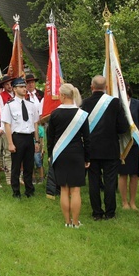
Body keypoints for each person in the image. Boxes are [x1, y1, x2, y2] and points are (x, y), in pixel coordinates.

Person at [80, 75, 129, 220]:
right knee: (110, 182)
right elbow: (123, 127)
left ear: (91, 87)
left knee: (93, 182)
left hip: (91, 149)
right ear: (106, 87)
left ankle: (97, 213)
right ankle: (110, 213)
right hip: (110, 149)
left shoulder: (85, 103)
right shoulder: (115, 103)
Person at [47, 84, 90, 228]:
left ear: (64, 96)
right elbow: (87, 138)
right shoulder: (81, 114)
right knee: (75, 189)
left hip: (60, 154)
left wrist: (50, 154)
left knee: (64, 189)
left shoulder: (54, 114)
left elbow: (50, 137)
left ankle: (67, 222)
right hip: (77, 154)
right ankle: (76, 223)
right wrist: (87, 158)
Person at [2, 78, 40, 198]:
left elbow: (35, 123)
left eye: (24, 86)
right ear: (14, 89)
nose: (24, 88)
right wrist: (10, 143)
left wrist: (37, 140)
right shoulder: (9, 106)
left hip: (29, 138)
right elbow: (7, 125)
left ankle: (29, 190)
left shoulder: (31, 105)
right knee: (16, 167)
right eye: (21, 87)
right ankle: (16, 191)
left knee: (29, 166)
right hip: (17, 137)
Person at [118, 83, 139, 211]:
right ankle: (124, 202)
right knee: (123, 174)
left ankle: (133, 202)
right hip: (122, 144)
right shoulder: (117, 104)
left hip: (135, 143)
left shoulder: (138, 104)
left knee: (134, 175)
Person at [0, 76, 15, 184]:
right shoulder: (0, 96)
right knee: (7, 153)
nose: (9, 86)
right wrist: (2, 128)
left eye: (10, 84)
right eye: (7, 84)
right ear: (3, 86)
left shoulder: (16, 94)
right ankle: (8, 177)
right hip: (6, 127)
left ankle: (17, 175)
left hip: (16, 127)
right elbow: (1, 113)